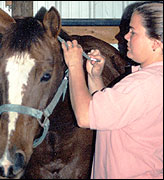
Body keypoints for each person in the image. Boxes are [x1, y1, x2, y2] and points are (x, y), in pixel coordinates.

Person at [61, 2, 163, 179]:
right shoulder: (152, 80)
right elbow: (112, 117)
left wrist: (74, 65)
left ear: (155, 43)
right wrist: (94, 77)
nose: (125, 36)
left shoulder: (142, 84)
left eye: (133, 32)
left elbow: (85, 116)